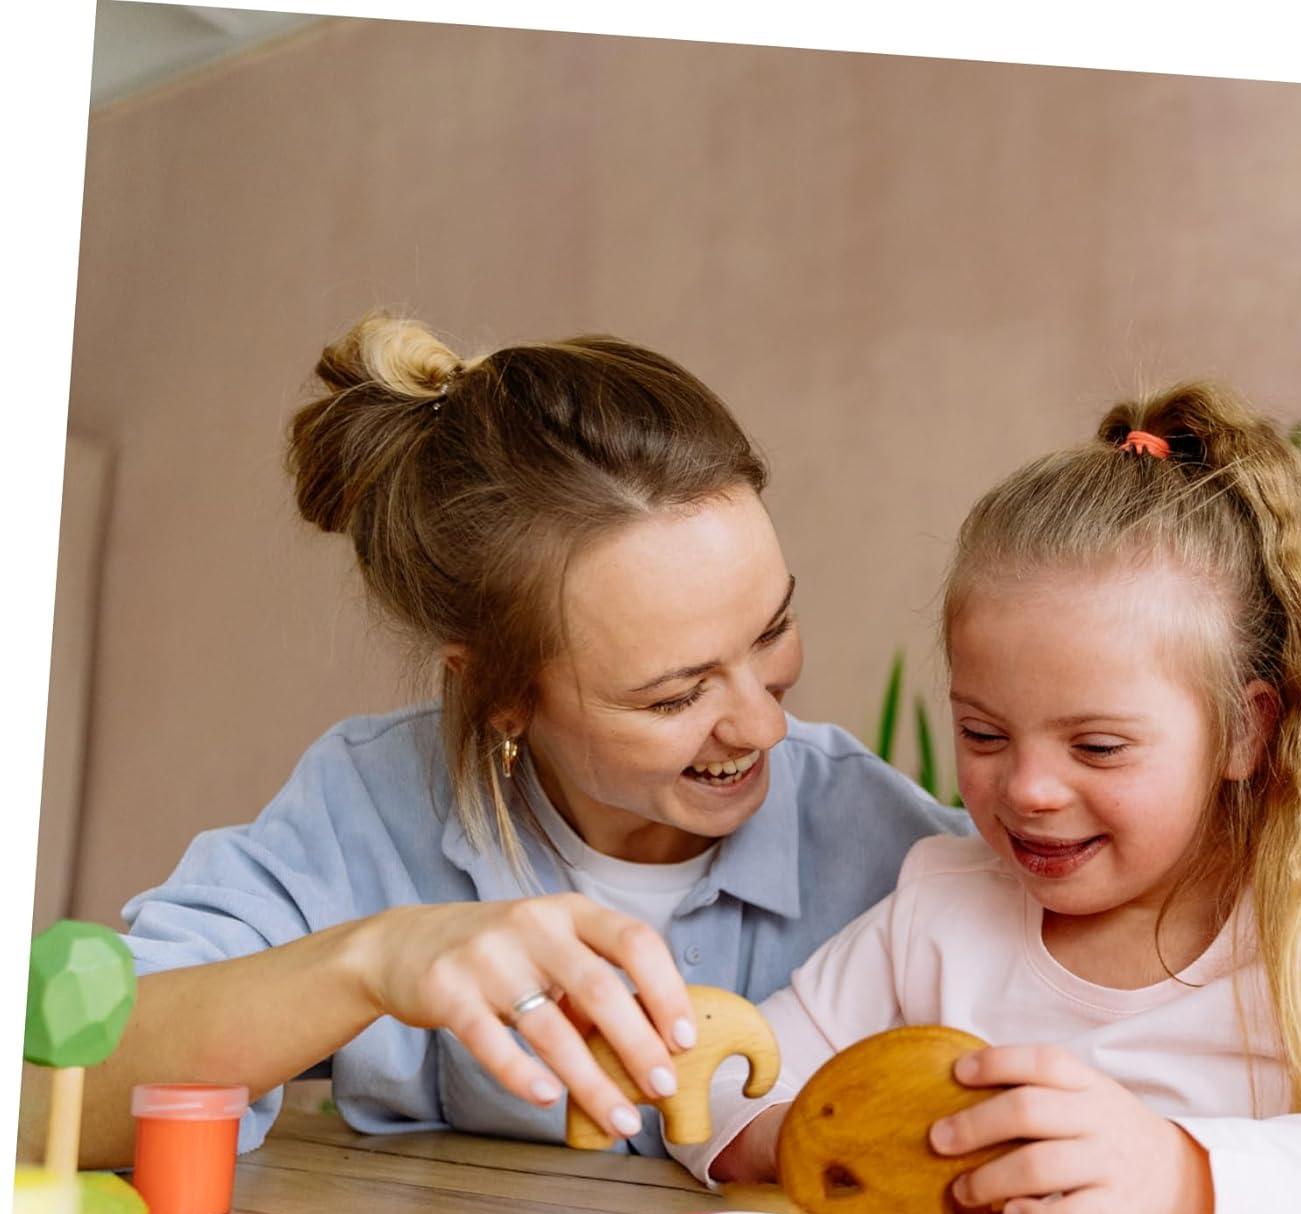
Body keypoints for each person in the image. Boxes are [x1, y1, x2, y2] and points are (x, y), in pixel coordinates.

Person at [66, 314, 969, 1169]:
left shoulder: (900, 854)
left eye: (772, 631)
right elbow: (54, 1096)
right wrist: (372, 962)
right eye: (675, 696)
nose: (764, 723)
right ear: (502, 695)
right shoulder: (365, 814)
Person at [685, 383, 1301, 1214]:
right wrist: (811, 1141)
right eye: (983, 733)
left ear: (1246, 730)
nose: (1030, 789)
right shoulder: (942, 905)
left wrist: (1183, 1178)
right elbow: (727, 1079)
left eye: (1097, 746)